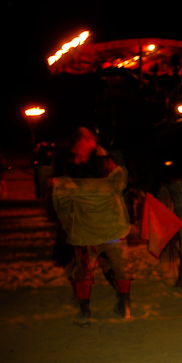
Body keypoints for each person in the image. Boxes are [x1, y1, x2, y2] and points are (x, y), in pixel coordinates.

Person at [52, 127, 133, 327]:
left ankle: (84, 312)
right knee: (122, 269)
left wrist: (68, 225)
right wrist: (104, 156)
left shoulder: (69, 185)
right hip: (113, 233)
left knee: (82, 272)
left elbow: (61, 207)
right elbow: (120, 173)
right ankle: (124, 305)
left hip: (85, 236)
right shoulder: (112, 182)